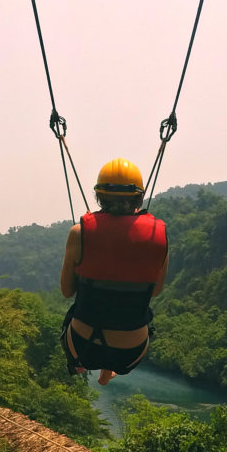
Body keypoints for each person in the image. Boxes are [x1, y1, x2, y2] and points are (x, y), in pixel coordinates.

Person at [58, 158, 169, 386]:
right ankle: (108, 370)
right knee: (125, 311)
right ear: (139, 197)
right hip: (129, 353)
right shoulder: (158, 237)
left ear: (99, 196)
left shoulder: (79, 233)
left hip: (82, 346)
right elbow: (156, 291)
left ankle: (80, 365)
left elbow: (67, 291)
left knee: (77, 312)